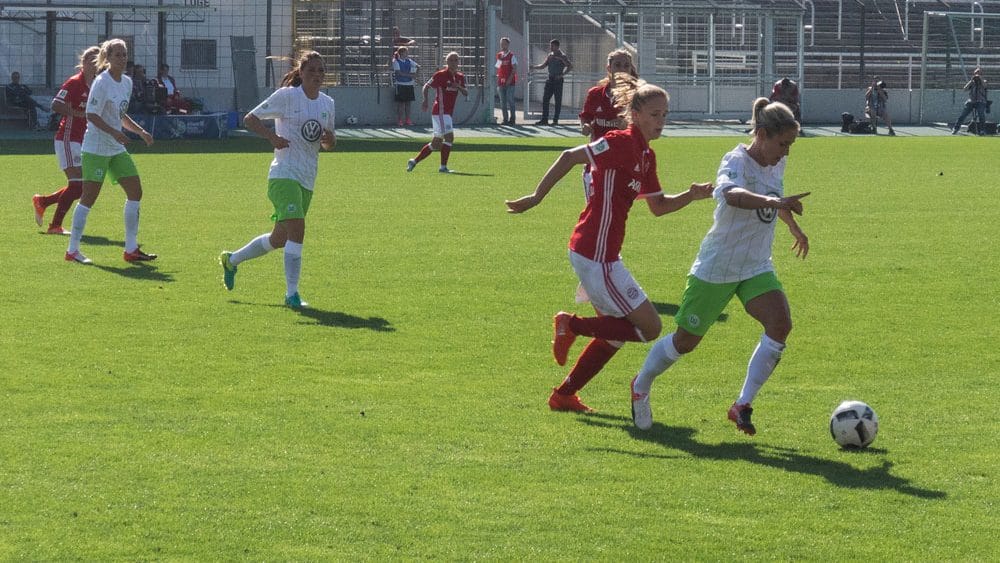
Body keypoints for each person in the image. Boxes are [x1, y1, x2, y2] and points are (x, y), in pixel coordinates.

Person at [505, 75, 714, 413]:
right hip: (594, 254)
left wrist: (690, 196)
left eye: (665, 114)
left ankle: (564, 395)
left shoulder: (646, 155)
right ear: (635, 113)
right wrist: (536, 197)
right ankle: (569, 325)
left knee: (616, 333)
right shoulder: (619, 141)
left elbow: (658, 207)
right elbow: (569, 156)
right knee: (649, 328)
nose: (662, 121)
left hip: (604, 255)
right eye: (655, 114)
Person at [629, 97, 810, 435]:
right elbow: (731, 194)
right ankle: (640, 384)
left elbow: (776, 197)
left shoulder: (776, 163)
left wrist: (793, 225)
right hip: (718, 266)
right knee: (685, 342)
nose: (786, 152)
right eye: (783, 144)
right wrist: (773, 201)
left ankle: (742, 404)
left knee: (780, 324)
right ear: (762, 134)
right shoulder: (736, 160)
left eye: (791, 145)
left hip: (756, 265)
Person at [219, 51, 336, 309]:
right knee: (298, 229)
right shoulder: (287, 96)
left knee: (279, 239)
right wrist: (272, 138)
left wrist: (329, 139)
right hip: (283, 176)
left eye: (321, 71)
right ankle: (291, 294)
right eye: (312, 70)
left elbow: (329, 143)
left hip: (307, 179)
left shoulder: (327, 103)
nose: (317, 75)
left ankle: (232, 260)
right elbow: (250, 118)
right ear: (301, 72)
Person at [64, 38, 156, 265]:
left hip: (115, 148)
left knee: (135, 191)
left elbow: (120, 115)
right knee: (88, 197)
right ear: (107, 57)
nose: (123, 59)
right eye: (117, 55)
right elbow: (91, 115)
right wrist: (115, 133)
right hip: (96, 147)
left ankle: (131, 249)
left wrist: (141, 131)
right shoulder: (101, 82)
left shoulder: (126, 82)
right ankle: (72, 250)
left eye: (124, 54)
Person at [32, 46, 100, 236]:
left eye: (98, 62)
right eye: (92, 61)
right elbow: (55, 104)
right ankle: (55, 226)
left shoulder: (95, 84)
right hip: (68, 139)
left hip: (83, 140)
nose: (95, 65)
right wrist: (77, 113)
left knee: (80, 187)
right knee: (78, 185)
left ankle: (43, 202)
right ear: (84, 62)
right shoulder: (74, 82)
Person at [578, 48, 636, 198]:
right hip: (597, 161)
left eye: (626, 65)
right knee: (594, 211)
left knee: (614, 213)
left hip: (623, 164)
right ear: (609, 68)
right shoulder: (595, 94)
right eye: (617, 65)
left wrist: (628, 126)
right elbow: (586, 116)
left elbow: (645, 128)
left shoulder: (637, 95)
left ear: (631, 68)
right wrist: (585, 125)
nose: (622, 69)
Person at [406, 51, 467, 174]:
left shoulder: (460, 76)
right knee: (449, 137)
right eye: (451, 60)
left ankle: (414, 161)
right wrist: (425, 100)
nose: (454, 62)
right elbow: (426, 86)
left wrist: (458, 86)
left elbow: (465, 92)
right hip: (440, 111)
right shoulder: (440, 75)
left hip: (447, 113)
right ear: (447, 62)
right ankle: (443, 167)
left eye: (456, 60)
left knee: (436, 142)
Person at [532, 39, 572, 126]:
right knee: (545, 99)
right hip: (550, 79)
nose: (551, 47)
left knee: (558, 101)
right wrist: (533, 67)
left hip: (558, 80)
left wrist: (562, 75)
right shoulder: (550, 55)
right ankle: (544, 119)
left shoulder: (562, 56)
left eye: (552, 46)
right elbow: (543, 65)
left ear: (557, 46)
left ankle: (555, 120)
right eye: (550, 46)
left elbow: (570, 66)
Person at [952, 68, 989, 135]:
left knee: (981, 115)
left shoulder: (984, 81)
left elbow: (985, 86)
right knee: (963, 115)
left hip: (981, 101)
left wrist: (980, 78)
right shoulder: (972, 82)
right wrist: (971, 81)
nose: (977, 75)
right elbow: (964, 89)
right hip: (971, 101)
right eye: (976, 73)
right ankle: (956, 128)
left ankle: (982, 130)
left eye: (979, 73)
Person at [392, 46, 419, 126]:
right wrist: (411, 75)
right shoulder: (396, 62)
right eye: (406, 52)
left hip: (409, 84)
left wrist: (416, 74)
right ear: (401, 53)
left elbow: (418, 66)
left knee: (408, 104)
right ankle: (400, 120)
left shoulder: (409, 60)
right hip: (400, 84)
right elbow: (399, 73)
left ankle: (408, 120)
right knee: (401, 104)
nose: (407, 54)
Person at [495, 37, 518, 125]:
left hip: (510, 82)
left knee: (510, 100)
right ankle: (505, 119)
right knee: (502, 102)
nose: (502, 45)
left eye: (504, 44)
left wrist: (509, 79)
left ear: (508, 45)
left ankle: (512, 119)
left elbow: (514, 69)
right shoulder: (499, 55)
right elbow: (498, 67)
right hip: (501, 82)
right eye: (501, 44)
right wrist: (498, 78)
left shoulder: (511, 55)